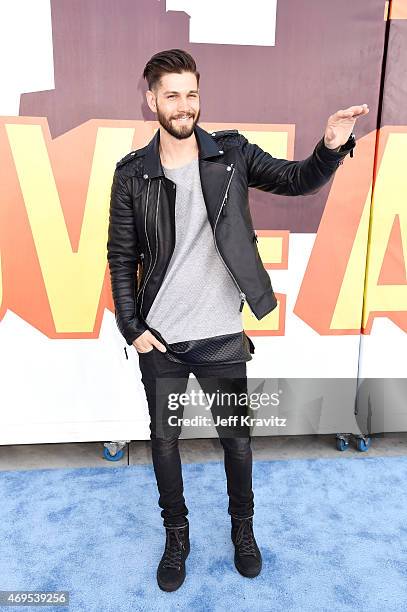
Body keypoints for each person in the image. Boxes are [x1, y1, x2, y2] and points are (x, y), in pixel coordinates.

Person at [107, 48, 368, 591]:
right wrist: (134, 328)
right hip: (164, 341)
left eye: (192, 94)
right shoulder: (131, 175)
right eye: (172, 95)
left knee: (238, 442)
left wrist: (329, 147)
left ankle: (242, 530)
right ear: (151, 99)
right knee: (163, 443)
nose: (185, 106)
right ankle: (177, 536)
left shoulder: (231, 153)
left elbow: (297, 180)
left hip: (222, 335)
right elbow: (121, 254)